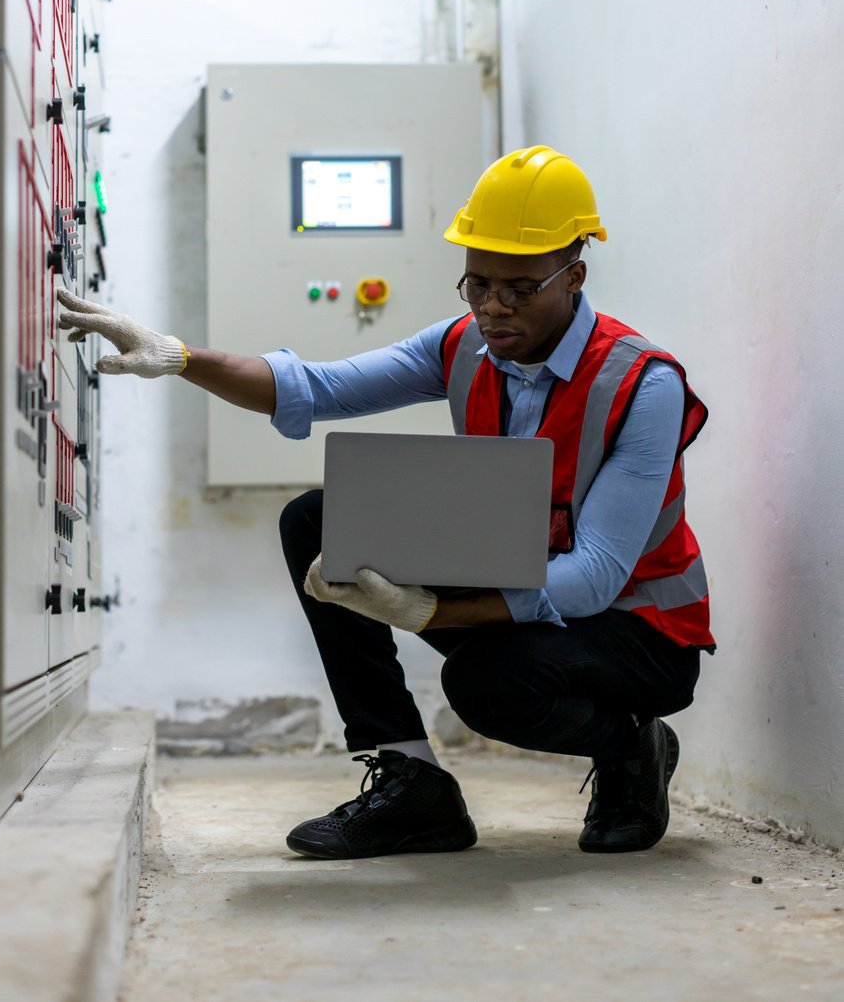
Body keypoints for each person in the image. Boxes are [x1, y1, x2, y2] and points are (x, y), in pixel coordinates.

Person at [58, 144, 713, 861]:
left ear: (574, 275)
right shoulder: (466, 344)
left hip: (639, 634)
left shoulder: (644, 384)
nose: (494, 307)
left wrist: (429, 613)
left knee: (486, 684)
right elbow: (316, 387)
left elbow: (595, 577)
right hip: (529, 597)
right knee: (315, 521)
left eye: (520, 288)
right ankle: (412, 781)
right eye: (478, 283)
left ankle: (633, 749)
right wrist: (179, 357)